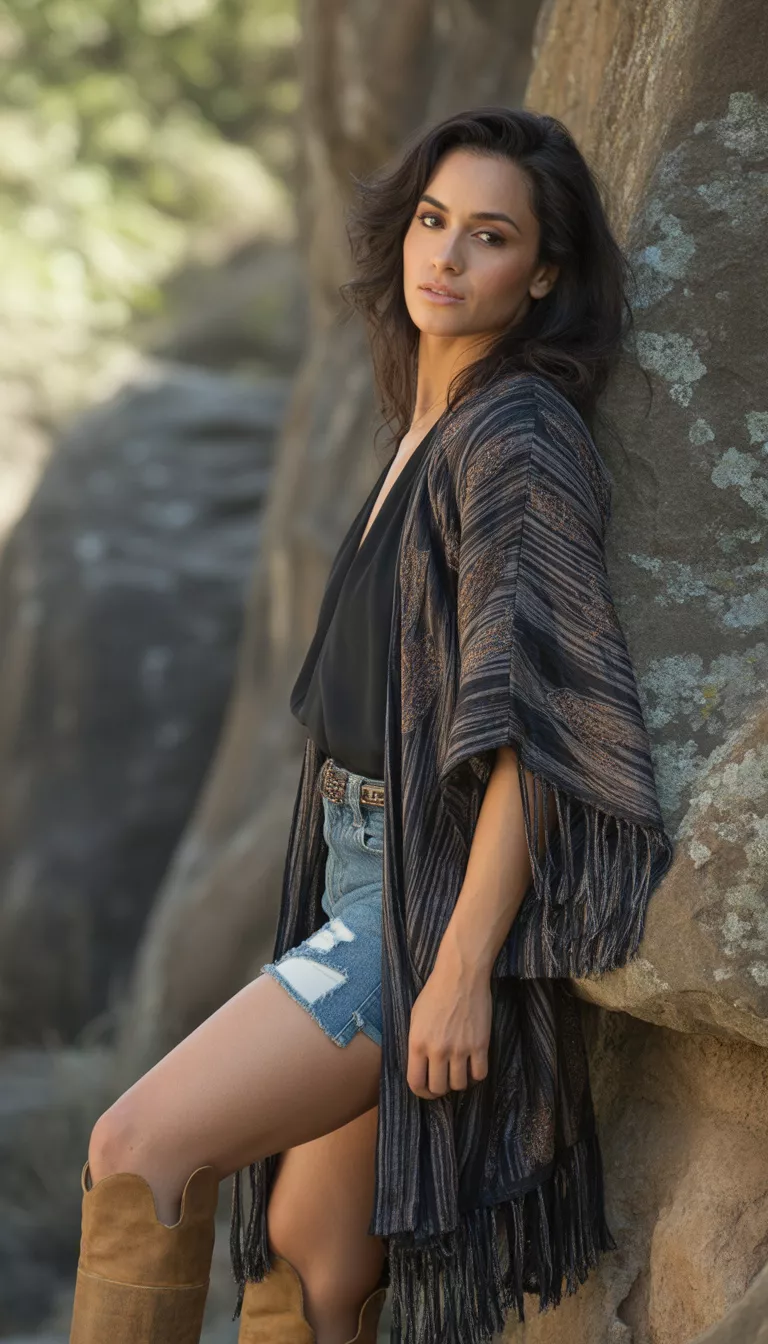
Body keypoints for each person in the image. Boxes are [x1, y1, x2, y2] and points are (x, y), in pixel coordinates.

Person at [68, 107, 674, 1344]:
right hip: (357, 866)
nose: (445, 254)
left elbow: (535, 726)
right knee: (319, 1265)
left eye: (490, 235)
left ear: (542, 274)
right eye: (433, 220)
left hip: (418, 895)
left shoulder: (516, 437)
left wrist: (456, 970)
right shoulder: (424, 427)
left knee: (137, 1150)